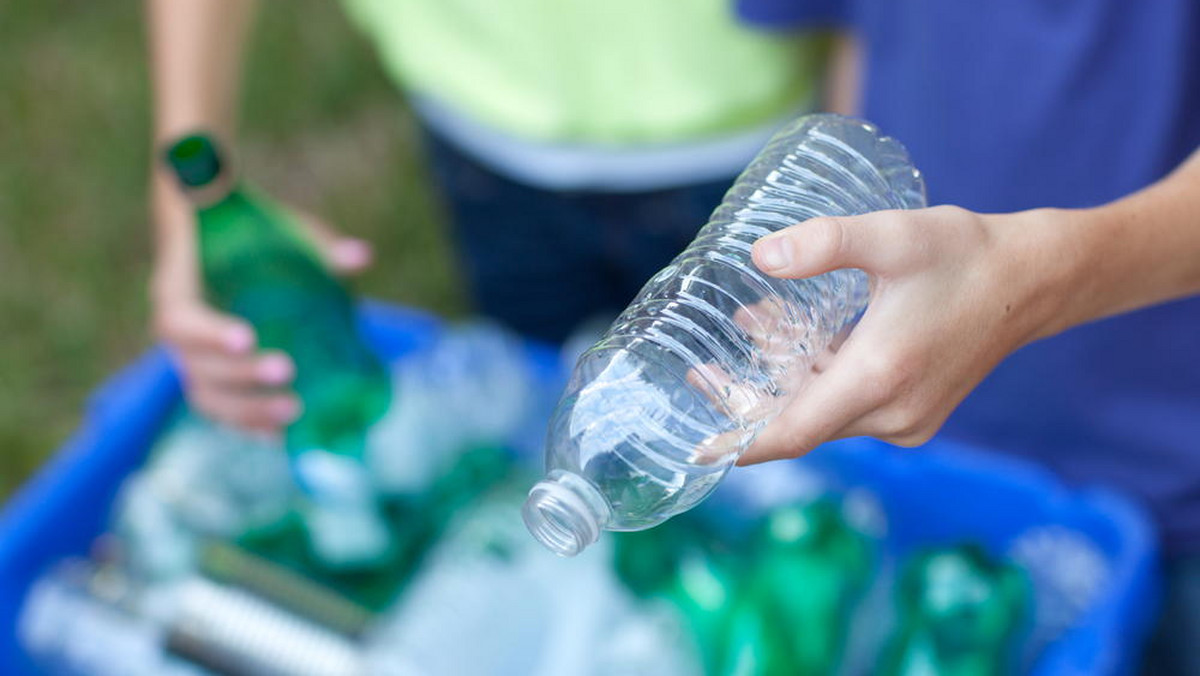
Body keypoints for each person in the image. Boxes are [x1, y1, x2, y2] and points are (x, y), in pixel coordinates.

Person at [733, 0, 1200, 671]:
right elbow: (857, 33)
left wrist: (1036, 284)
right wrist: (839, 275)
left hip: (1161, 455)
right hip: (905, 419)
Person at [147, 0, 826, 431]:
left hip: (741, 143)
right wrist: (193, 201)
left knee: (770, 427)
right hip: (477, 132)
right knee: (552, 408)